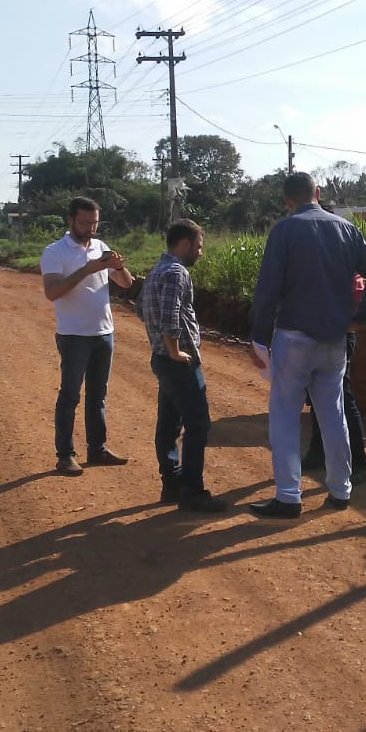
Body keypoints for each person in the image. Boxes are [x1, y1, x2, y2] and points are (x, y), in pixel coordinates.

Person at [248, 173, 366, 518]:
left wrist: (259, 338)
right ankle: (341, 490)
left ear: (287, 201)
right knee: (333, 414)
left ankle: (288, 496)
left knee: (284, 417)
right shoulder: (346, 229)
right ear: (318, 193)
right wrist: (359, 317)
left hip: (294, 337)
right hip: (335, 339)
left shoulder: (284, 231)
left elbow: (267, 290)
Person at [40, 196, 134, 476]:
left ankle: (97, 449)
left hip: (103, 332)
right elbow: (52, 292)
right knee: (70, 396)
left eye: (94, 223)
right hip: (73, 335)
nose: (91, 228)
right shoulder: (55, 252)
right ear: (71, 220)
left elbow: (127, 283)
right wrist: (86, 270)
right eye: (85, 223)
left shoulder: (101, 247)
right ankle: (65, 455)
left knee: (97, 396)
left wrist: (117, 266)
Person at [139, 219, 227, 513]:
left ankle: (172, 483)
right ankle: (192, 491)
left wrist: (163, 345)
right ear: (186, 244)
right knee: (198, 424)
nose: (200, 253)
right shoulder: (177, 272)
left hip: (162, 359)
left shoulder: (157, 270)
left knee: (169, 422)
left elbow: (141, 309)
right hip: (178, 362)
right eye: (199, 246)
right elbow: (170, 316)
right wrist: (175, 350)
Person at [302, 274, 366, 485]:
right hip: (316, 330)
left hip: (340, 332)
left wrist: (354, 320)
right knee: (315, 391)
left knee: (343, 397)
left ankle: (358, 463)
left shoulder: (346, 260)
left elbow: (363, 286)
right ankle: (317, 452)